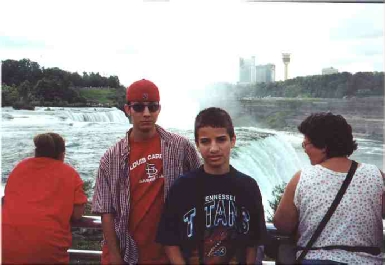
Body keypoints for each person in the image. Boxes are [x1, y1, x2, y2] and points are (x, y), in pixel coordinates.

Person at [92, 79, 201, 264]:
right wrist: (115, 256)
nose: (146, 114)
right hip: (128, 253)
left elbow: (201, 190)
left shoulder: (180, 147)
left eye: (152, 107)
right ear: (127, 110)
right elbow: (106, 212)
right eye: (139, 107)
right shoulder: (111, 158)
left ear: (159, 109)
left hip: (172, 254)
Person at [156, 107, 267, 264]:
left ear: (233, 140)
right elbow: (169, 240)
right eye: (205, 141)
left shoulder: (248, 187)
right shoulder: (182, 187)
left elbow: (253, 242)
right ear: (197, 144)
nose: (214, 148)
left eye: (221, 139)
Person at [274, 112, 385, 264]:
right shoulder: (375, 175)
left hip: (315, 260)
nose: (305, 150)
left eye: (306, 144)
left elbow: (282, 224)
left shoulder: (302, 177)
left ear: (324, 146)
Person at [2, 132, 87, 264]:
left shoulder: (19, 168)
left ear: (36, 152)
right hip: (47, 252)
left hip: (6, 249)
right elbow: (77, 214)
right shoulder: (70, 174)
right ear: (61, 154)